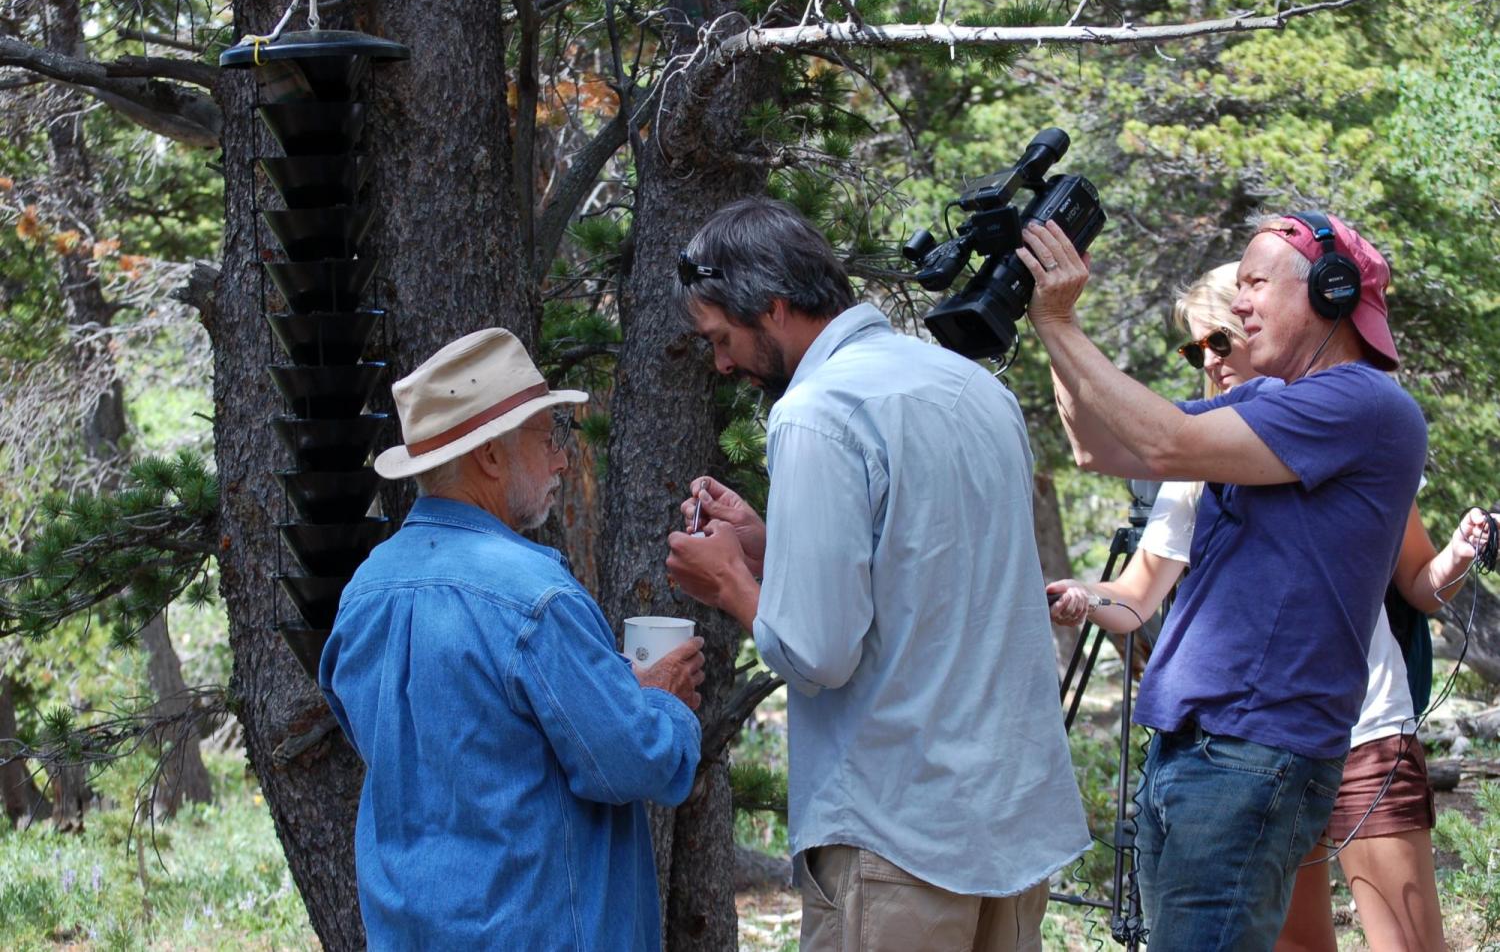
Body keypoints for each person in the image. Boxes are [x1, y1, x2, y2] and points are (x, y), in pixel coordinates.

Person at [663, 197, 1090, 952]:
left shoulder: (816, 412)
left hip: (898, 833)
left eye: (722, 338)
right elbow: (931, 575)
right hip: (1010, 823)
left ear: (773, 305)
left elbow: (819, 652)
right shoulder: (973, 389)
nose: (723, 363)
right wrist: (770, 547)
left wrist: (731, 581)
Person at [1047, 263, 1491, 951]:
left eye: (1218, 341)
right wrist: (1083, 595)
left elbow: (1417, 586)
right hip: (1249, 742)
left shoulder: (1349, 423)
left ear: (1265, 323)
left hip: (1363, 726)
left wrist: (1459, 558)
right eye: (1196, 352)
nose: (1211, 362)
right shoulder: (1197, 442)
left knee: (1408, 944)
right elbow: (1135, 584)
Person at [319, 328, 705, 949]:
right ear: (491, 458)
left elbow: (450, 743)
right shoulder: (534, 596)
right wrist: (660, 699)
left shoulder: (366, 590)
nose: (560, 459)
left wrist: (607, 697)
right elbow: (633, 763)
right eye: (548, 438)